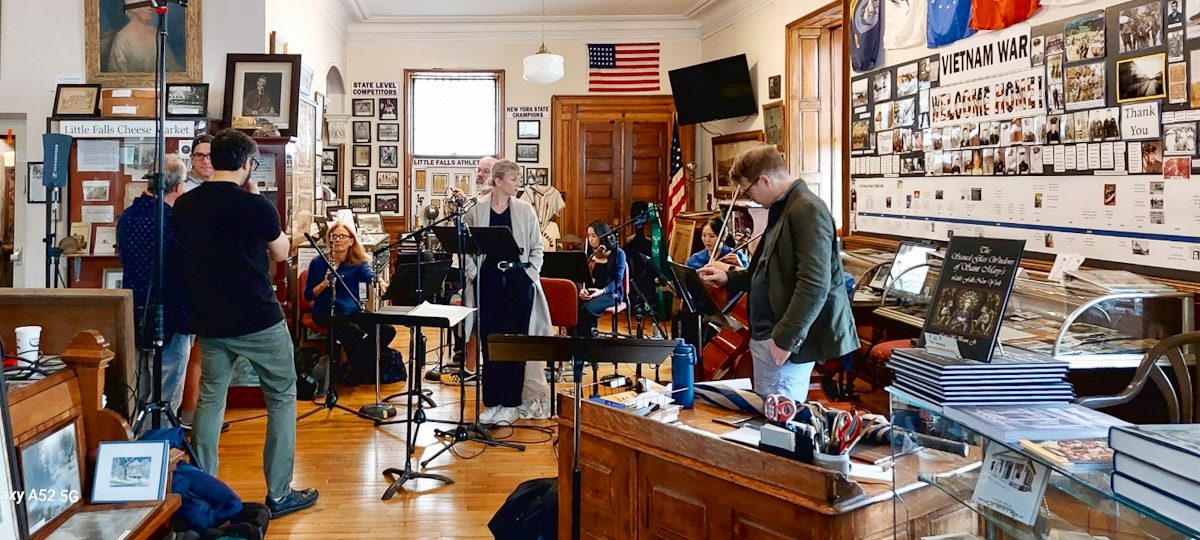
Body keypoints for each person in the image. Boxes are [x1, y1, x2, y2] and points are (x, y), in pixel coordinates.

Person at [173, 129, 317, 518]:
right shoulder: (256, 206)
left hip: (211, 319)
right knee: (281, 398)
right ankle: (279, 494)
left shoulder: (185, 204)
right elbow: (282, 252)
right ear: (247, 164)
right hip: (258, 319)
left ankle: (206, 488)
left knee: (210, 399)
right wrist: (255, 197)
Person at [698, 145, 858, 402]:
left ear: (764, 180)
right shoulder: (783, 208)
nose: (752, 199)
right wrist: (728, 278)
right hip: (770, 334)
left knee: (780, 414)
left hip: (783, 339)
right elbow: (765, 270)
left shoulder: (807, 209)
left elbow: (814, 284)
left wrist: (786, 339)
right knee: (769, 411)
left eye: (749, 191)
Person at [461, 159, 553, 424]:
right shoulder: (476, 210)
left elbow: (537, 248)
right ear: (498, 181)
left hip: (518, 283)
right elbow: (465, 248)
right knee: (490, 342)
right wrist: (474, 273)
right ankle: (493, 401)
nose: (518, 183)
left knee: (514, 344)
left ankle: (512, 403)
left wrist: (528, 276)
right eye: (513, 179)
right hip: (488, 282)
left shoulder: (525, 209)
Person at [117, 155, 191, 421]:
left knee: (140, 392)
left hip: (134, 311)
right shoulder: (174, 220)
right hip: (171, 313)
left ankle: (136, 438)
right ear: (178, 187)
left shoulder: (128, 217)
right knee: (166, 394)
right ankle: (159, 442)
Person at [304, 221, 400, 385]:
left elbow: (370, 275)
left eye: (342, 236)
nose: (337, 240)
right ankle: (358, 371)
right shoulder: (318, 263)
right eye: (334, 236)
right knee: (354, 333)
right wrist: (324, 284)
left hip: (351, 311)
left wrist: (381, 283)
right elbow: (308, 296)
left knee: (386, 330)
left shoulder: (357, 263)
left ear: (351, 241)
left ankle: (359, 366)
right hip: (326, 311)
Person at [576, 221, 627, 337]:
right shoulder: (588, 252)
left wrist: (601, 291)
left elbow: (618, 281)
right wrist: (581, 289)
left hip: (611, 293)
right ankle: (577, 339)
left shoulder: (618, 254)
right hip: (591, 290)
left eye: (594, 236)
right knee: (574, 306)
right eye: (588, 236)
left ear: (603, 236)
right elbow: (580, 275)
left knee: (588, 308)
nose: (590, 239)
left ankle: (588, 338)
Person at [106, 0, 183, 73]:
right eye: (146, 4)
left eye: (151, 4)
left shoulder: (156, 34)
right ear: (134, 9)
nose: (151, 8)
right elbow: (117, 74)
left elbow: (172, 66)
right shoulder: (122, 38)